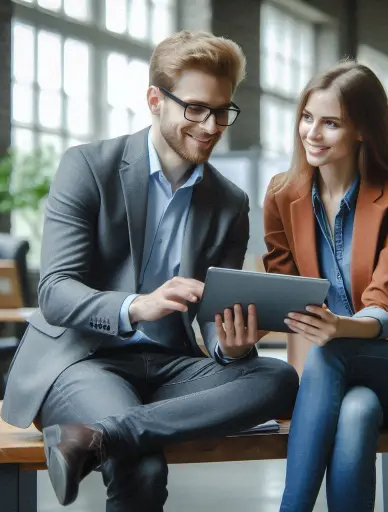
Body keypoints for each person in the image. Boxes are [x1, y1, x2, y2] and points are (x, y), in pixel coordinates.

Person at [1, 30, 298, 511]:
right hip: (86, 360)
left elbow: (210, 315)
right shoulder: (88, 167)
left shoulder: (228, 202)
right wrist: (137, 306)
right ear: (155, 100)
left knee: (277, 379)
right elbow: (55, 293)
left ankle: (96, 436)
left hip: (170, 366)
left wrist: (230, 343)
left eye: (222, 111)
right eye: (196, 108)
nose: (211, 125)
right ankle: (109, 434)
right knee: (142, 464)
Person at [262, 60, 388, 512]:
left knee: (333, 352)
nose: (312, 132)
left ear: (363, 131)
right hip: (331, 376)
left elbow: (384, 303)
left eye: (331, 123)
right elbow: (289, 304)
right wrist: (298, 397)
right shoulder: (281, 195)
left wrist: (338, 330)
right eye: (307, 117)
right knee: (357, 411)